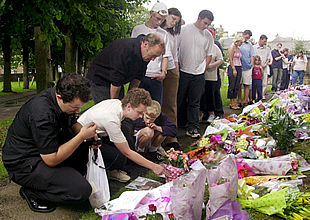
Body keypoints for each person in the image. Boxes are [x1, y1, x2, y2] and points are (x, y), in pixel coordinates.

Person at [2, 73, 98, 213]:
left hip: (46, 150)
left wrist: (86, 135)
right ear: (59, 97)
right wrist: (81, 136)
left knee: (88, 151)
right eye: (74, 108)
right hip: (24, 163)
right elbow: (51, 159)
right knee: (81, 191)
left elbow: (72, 122)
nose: (78, 111)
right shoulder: (42, 115)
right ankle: (32, 192)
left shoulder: (61, 96)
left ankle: (59, 180)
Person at [77, 88, 169, 183]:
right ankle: (109, 171)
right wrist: (154, 167)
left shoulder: (117, 103)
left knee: (126, 143)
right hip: (83, 142)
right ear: (129, 106)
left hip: (95, 134)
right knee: (119, 155)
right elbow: (127, 152)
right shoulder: (111, 120)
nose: (141, 116)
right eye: (139, 112)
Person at [86, 33, 165, 103]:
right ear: (145, 44)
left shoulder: (145, 55)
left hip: (118, 81)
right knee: (108, 111)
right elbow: (116, 82)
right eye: (153, 55)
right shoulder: (125, 49)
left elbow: (137, 79)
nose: (153, 59)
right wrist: (114, 105)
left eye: (155, 57)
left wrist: (129, 99)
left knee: (123, 110)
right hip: (100, 79)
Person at [177, 10, 214, 138]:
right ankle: (174, 126)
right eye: (205, 23)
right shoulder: (183, 29)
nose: (206, 26)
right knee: (178, 99)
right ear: (199, 18)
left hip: (199, 73)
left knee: (195, 102)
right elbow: (176, 49)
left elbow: (209, 54)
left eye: (208, 24)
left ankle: (192, 127)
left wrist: (203, 68)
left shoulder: (208, 36)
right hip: (183, 71)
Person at [131, 2, 171, 104]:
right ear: (151, 13)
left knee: (155, 107)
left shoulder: (164, 34)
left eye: (162, 20)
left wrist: (163, 72)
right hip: (139, 75)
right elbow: (132, 52)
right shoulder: (138, 29)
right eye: (157, 18)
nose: (159, 22)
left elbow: (166, 55)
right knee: (135, 104)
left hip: (155, 77)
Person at [160, 7, 182, 149]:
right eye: (173, 19)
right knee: (155, 103)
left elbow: (175, 55)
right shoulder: (157, 31)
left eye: (177, 21)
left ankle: (171, 137)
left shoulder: (173, 35)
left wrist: (176, 71)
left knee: (170, 103)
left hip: (171, 70)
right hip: (154, 69)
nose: (174, 23)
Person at [200, 29, 223, 124]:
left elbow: (220, 59)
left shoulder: (215, 47)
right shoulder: (200, 46)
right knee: (200, 96)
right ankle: (201, 113)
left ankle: (211, 113)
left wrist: (211, 66)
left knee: (210, 95)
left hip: (211, 75)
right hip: (200, 75)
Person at [238, 30, 255, 107]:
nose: (247, 37)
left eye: (249, 36)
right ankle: (239, 100)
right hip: (239, 66)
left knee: (247, 84)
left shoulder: (250, 45)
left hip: (247, 67)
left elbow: (252, 55)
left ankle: (245, 100)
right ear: (243, 34)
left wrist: (251, 64)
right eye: (246, 35)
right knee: (239, 84)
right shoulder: (238, 43)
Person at [253, 34, 272, 100]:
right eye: (264, 41)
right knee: (256, 82)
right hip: (256, 67)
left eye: (266, 41)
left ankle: (262, 95)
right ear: (260, 40)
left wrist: (265, 65)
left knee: (264, 82)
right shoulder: (254, 47)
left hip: (265, 67)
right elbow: (252, 57)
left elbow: (269, 58)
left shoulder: (267, 49)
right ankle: (255, 95)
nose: (265, 43)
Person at [227, 37, 243, 110]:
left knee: (237, 85)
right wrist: (233, 69)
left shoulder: (238, 49)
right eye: (240, 42)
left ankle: (235, 101)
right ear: (237, 41)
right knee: (232, 85)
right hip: (233, 67)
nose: (241, 43)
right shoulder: (231, 48)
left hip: (239, 66)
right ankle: (232, 102)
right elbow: (230, 59)